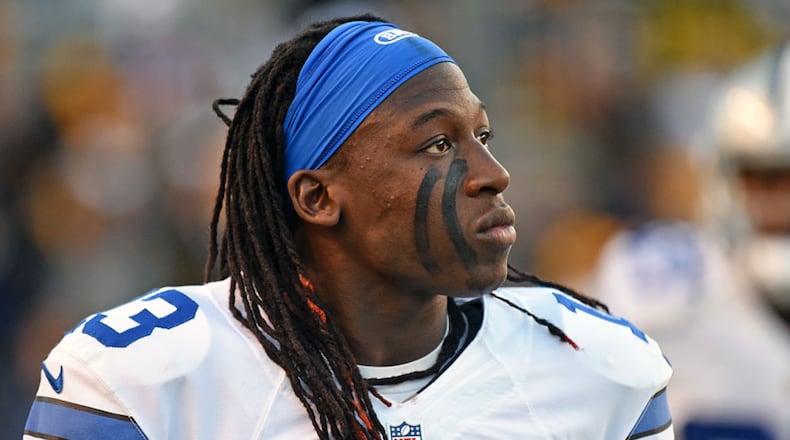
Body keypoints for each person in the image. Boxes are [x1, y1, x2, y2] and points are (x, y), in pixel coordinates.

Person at [23, 15, 673, 439]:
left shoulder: (598, 368)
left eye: (482, 135)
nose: (493, 174)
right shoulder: (137, 379)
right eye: (439, 145)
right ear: (318, 197)